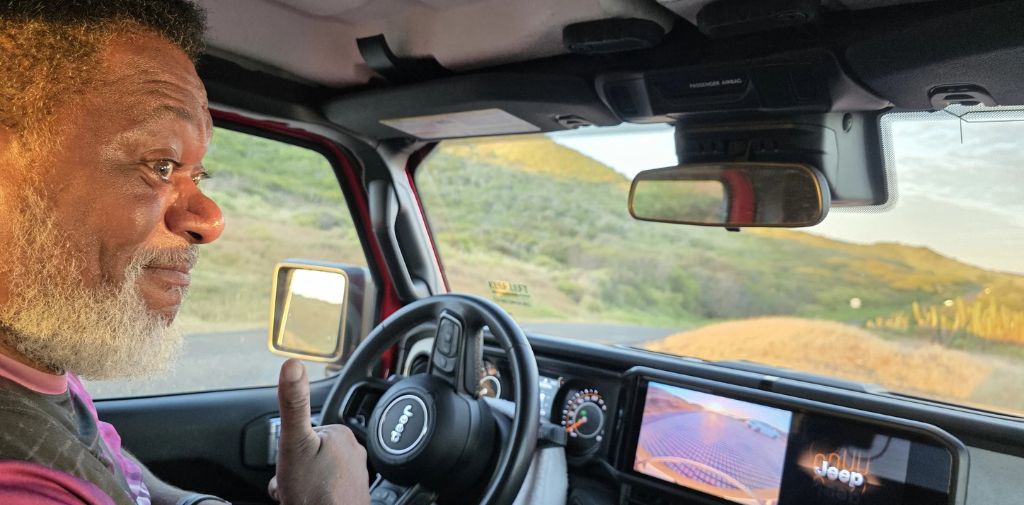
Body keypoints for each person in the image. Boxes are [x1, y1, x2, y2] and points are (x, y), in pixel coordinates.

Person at [0, 2, 370, 504]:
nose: (211, 220)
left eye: (198, 175)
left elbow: (114, 472)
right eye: (161, 165)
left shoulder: (37, 360)